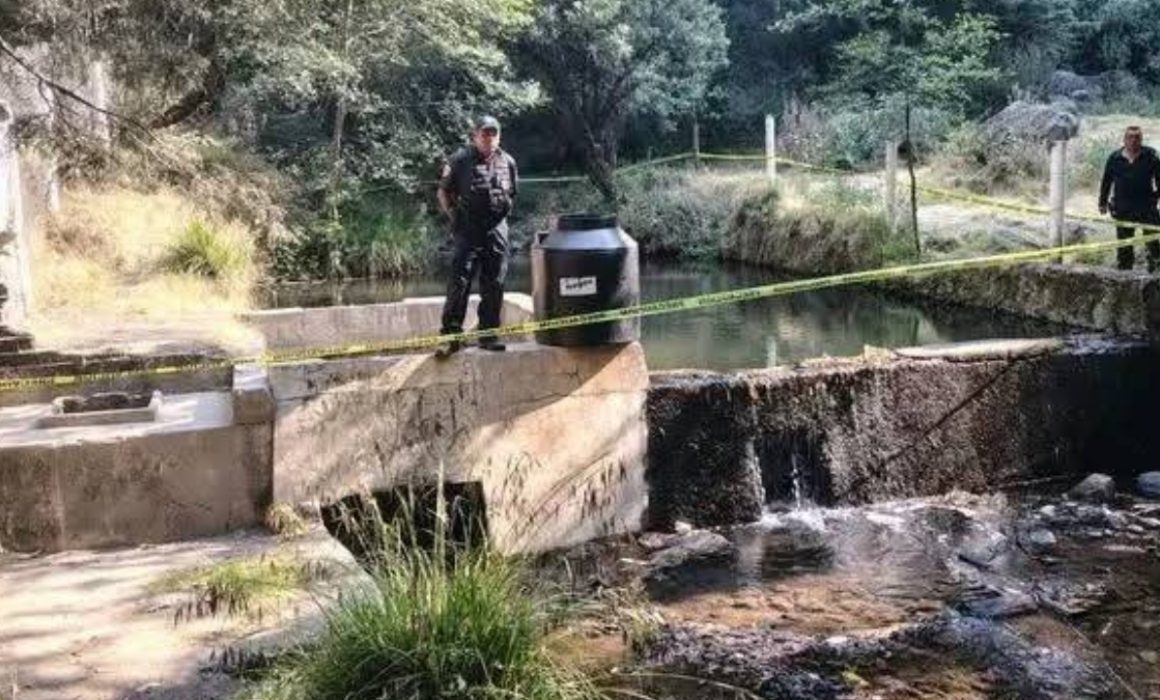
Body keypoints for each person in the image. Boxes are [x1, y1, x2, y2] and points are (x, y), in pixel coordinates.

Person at [434, 115, 519, 357]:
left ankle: (488, 335)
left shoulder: (508, 162)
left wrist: (502, 212)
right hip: (468, 229)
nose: (489, 138)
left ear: (498, 136)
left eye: (493, 134)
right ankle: (450, 337)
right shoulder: (460, 160)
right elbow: (443, 191)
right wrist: (454, 217)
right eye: (484, 134)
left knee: (495, 283)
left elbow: (512, 192)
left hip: (497, 230)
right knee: (459, 282)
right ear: (475, 136)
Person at [1099, 125, 1160, 272]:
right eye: (1130, 137)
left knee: (1153, 243)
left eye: (1137, 137)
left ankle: (1156, 272)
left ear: (1141, 139)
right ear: (1124, 139)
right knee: (1124, 246)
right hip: (1123, 208)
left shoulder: (1151, 156)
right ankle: (1124, 276)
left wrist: (1155, 197)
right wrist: (1102, 202)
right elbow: (1106, 181)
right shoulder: (1114, 158)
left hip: (1146, 207)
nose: (1133, 141)